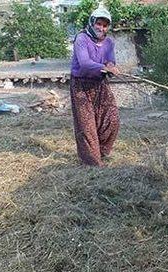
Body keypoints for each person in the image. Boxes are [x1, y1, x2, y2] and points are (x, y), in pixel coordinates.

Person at [70, 4, 120, 167]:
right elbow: (84, 63)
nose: (102, 28)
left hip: (100, 83)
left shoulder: (109, 42)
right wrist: (104, 68)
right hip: (81, 85)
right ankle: (92, 162)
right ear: (92, 22)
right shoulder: (81, 39)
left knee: (112, 118)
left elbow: (110, 60)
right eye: (98, 23)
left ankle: (102, 152)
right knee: (87, 125)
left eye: (105, 25)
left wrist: (111, 67)